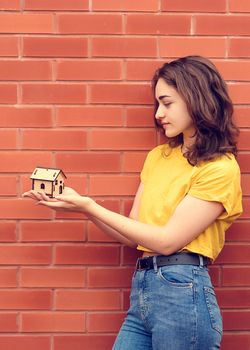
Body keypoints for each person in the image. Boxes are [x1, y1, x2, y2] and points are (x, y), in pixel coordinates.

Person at [23, 55, 242, 349]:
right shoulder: (158, 157)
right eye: (158, 105)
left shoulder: (220, 168)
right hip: (143, 290)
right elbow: (133, 233)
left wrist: (90, 206)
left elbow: (167, 242)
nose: (159, 114)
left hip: (183, 292)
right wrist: (82, 208)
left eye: (167, 102)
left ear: (195, 98)